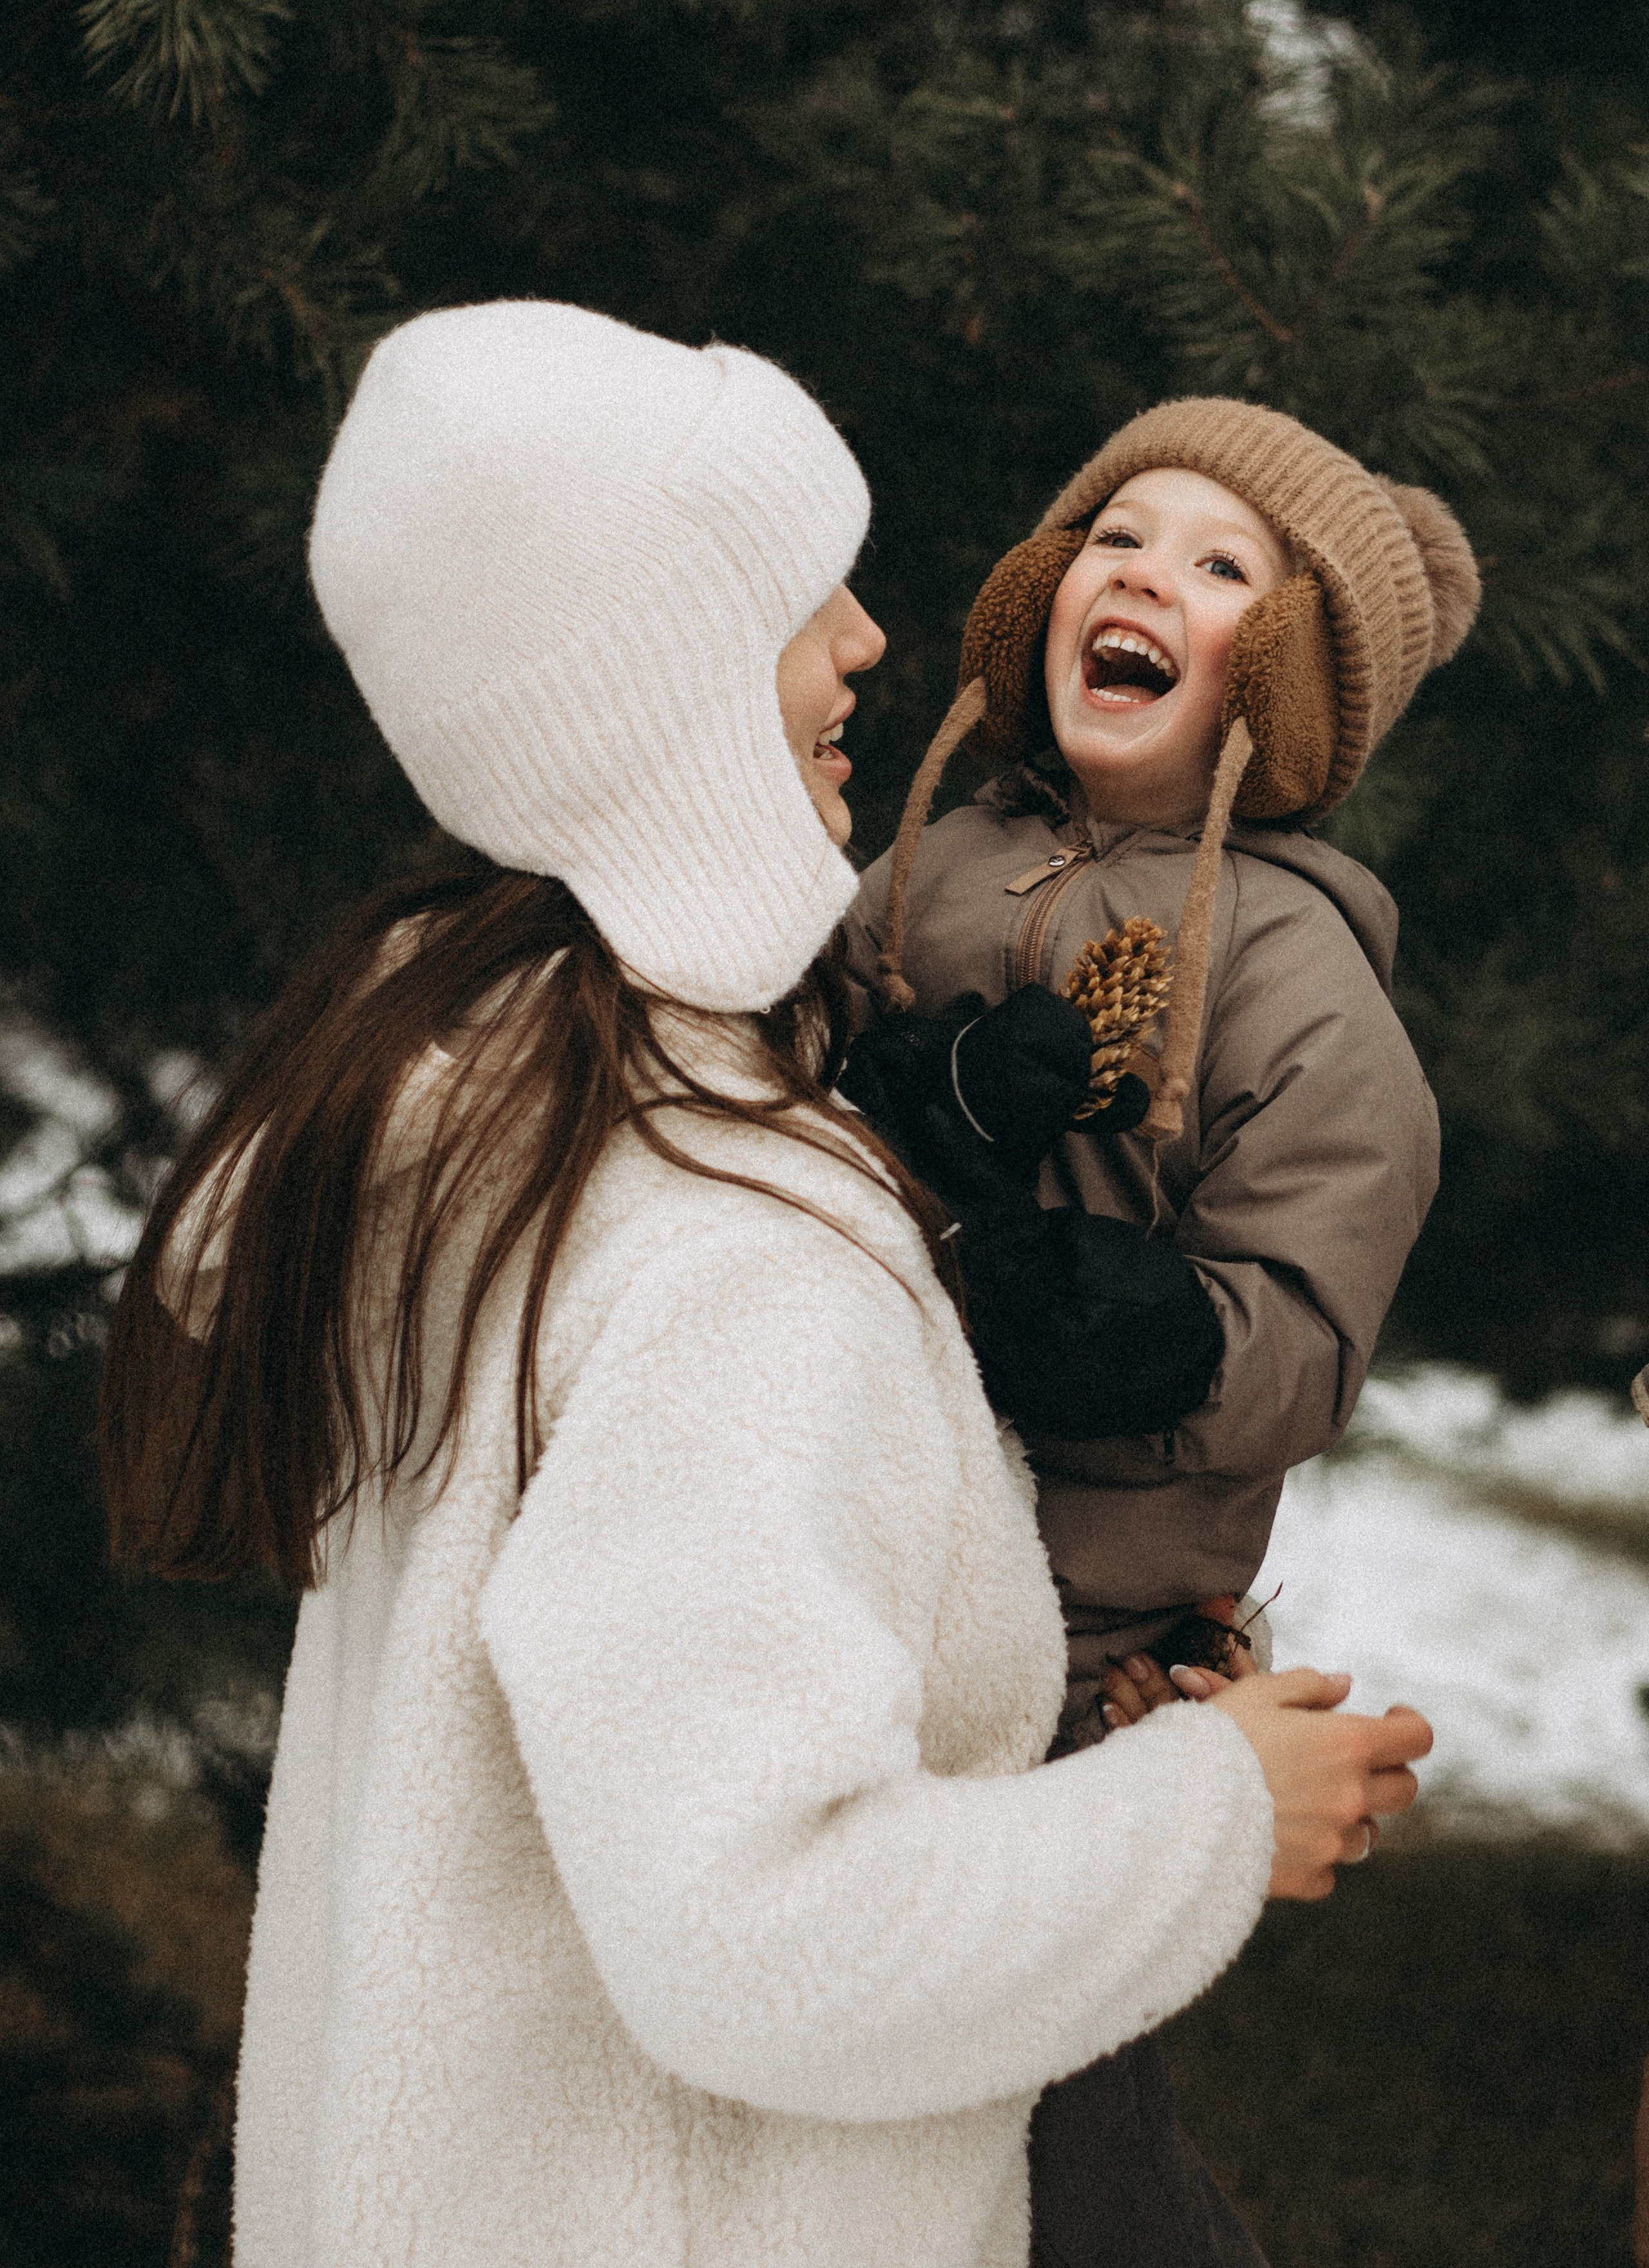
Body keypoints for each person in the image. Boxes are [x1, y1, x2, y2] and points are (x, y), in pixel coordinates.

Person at [97, 309, 1431, 2268]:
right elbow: (767, 1929)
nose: (880, 638)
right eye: (807, 590)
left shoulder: (488, 1096)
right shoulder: (736, 1253)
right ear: (657, 679)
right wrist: (1221, 1804)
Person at [843, 399, 1477, 2263]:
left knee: (1053, 2112)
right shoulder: (938, 859)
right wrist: (925, 1067)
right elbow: (814, 1074)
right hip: (880, 1547)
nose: (1147, 575)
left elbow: (1314, 1311)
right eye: (1121, 534)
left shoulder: (1294, 966)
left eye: (1221, 568)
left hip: (1080, 1633)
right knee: (869, 2064)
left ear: (1273, 676)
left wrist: (1168, 1334)